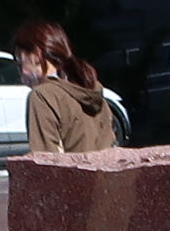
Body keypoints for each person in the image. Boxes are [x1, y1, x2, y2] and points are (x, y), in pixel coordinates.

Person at [15, 19, 118, 154]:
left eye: (19, 59)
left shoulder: (43, 95)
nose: (21, 70)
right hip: (104, 172)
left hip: (72, 174)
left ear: (36, 55)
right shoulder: (90, 87)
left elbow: (45, 160)